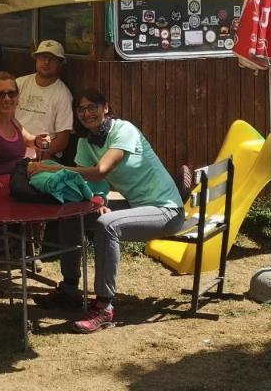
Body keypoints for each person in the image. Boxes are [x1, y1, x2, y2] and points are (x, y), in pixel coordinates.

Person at [29, 88, 184, 333]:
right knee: (71, 215)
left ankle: (104, 307)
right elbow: (85, 184)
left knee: (107, 225)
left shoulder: (124, 130)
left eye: (93, 107)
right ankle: (70, 290)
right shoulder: (85, 142)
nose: (87, 113)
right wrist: (99, 202)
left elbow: (101, 170)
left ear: (106, 108)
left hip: (166, 211)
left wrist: (51, 168)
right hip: (136, 206)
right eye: (81, 109)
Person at [15, 40, 74, 163]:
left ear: (60, 63)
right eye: (43, 57)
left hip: (43, 154)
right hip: (12, 146)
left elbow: (61, 142)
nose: (46, 62)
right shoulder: (19, 83)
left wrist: (37, 154)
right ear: (36, 59)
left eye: (52, 59)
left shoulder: (63, 94)